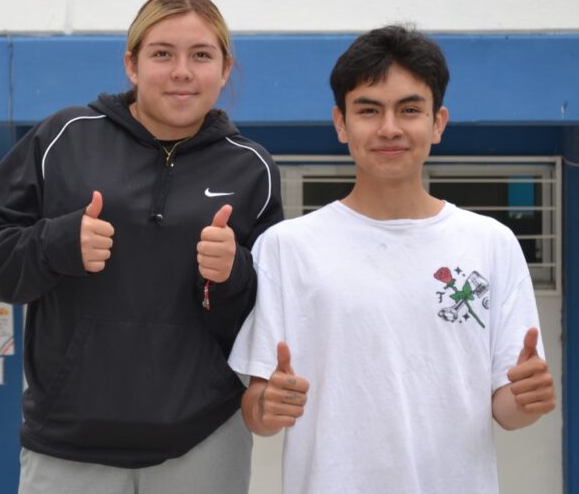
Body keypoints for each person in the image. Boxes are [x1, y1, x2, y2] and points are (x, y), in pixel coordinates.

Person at [0, 0, 284, 494]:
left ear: (225, 70)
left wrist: (233, 274)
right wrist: (57, 244)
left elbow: (264, 317)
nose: (182, 71)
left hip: (203, 439)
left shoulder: (252, 168)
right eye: (162, 54)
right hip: (68, 444)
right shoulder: (63, 138)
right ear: (131, 65)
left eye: (201, 55)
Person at [228, 25, 556, 493]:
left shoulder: (491, 243)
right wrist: (266, 408)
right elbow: (258, 413)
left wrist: (529, 400)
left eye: (409, 110)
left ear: (438, 122)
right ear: (341, 123)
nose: (389, 128)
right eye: (368, 110)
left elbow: (506, 410)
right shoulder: (287, 247)